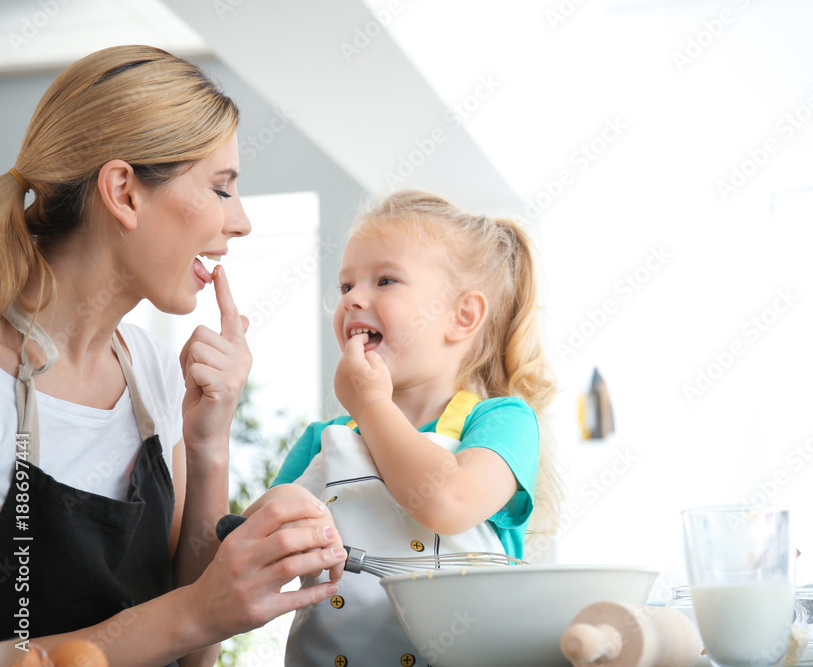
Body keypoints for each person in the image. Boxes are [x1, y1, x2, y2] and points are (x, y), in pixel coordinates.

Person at [0, 45, 346, 666]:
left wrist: (210, 442)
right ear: (124, 193)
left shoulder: (156, 372)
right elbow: (190, 616)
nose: (240, 222)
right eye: (221, 188)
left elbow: (197, 656)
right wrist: (196, 610)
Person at [248, 189, 560, 666]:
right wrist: (275, 512)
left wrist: (371, 404)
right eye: (346, 286)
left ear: (463, 316)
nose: (353, 300)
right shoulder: (324, 440)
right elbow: (250, 557)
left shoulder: (501, 420)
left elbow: (447, 500)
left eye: (385, 280)